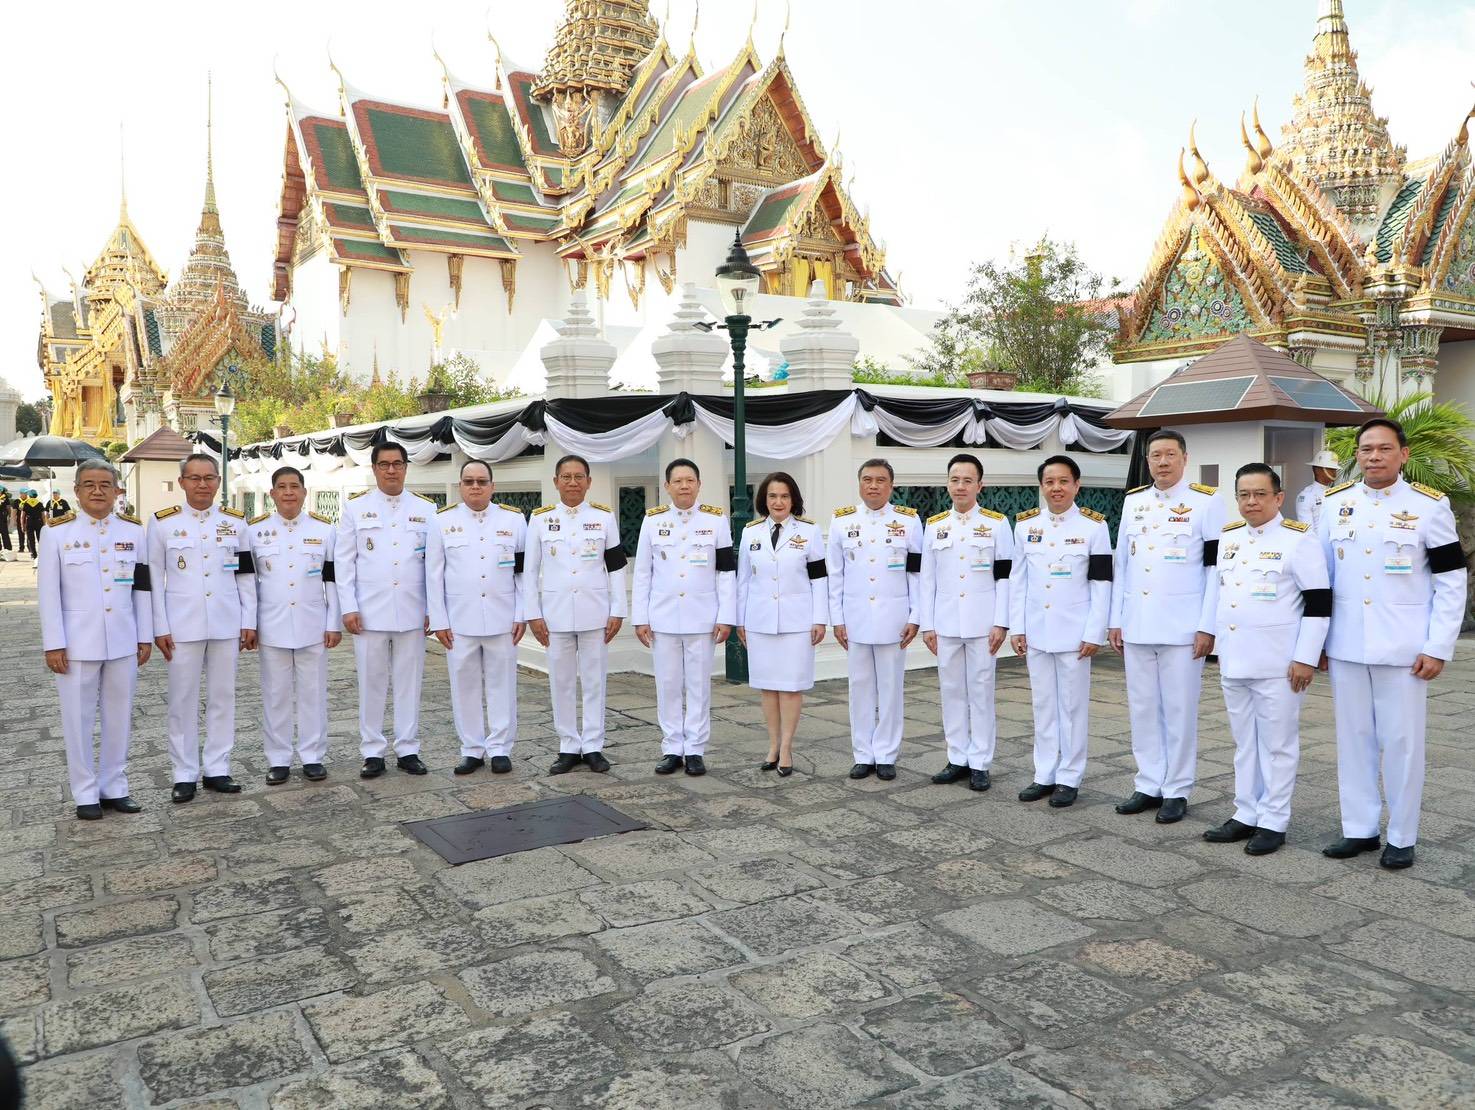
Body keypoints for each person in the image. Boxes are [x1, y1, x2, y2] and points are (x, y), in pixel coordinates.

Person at [1318, 418, 1466, 869]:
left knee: (1402, 743)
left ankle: (1402, 835)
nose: (1374, 457)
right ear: (1357, 456)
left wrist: (1437, 645)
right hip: (1346, 643)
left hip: (1404, 648)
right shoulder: (1334, 504)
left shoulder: (1429, 506)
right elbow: (1320, 578)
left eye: (1384, 449)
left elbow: (1451, 579)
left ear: (1403, 455)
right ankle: (1359, 828)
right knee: (1353, 739)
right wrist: (1316, 642)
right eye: (1366, 450)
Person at [1200, 463, 1330, 855]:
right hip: (1236, 659)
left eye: (1260, 494)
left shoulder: (1298, 539)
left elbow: (1319, 602)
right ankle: (1245, 813)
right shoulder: (1229, 538)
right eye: (1244, 494)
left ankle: (1274, 820)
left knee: (1277, 744)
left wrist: (1306, 657)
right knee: (1244, 742)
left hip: (1280, 664)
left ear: (1278, 497)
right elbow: (1222, 594)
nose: (1251, 501)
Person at [1108, 430, 1225, 824]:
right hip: (1138, 623)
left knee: (1178, 710)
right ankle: (1148, 783)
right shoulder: (1134, 502)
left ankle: (1177, 788)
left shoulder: (1206, 502)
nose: (1162, 462)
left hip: (1182, 628)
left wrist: (1208, 626)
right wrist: (1115, 620)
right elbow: (1121, 564)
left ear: (1184, 458)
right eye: (1155, 455)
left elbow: (1215, 569)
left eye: (1169, 455)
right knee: (1142, 708)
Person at [38, 460, 152, 820]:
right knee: (78, 718)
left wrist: (144, 634)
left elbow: (143, 588)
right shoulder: (56, 533)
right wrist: (54, 642)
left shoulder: (134, 532)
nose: (98, 491)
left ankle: (115, 786)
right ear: (77, 491)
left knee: (119, 715)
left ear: (118, 491)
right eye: (89, 485)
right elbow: (49, 594)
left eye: (105, 484)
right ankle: (85, 792)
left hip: (122, 638)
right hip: (76, 643)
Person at [1008, 455, 1113, 808]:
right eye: (1050, 482)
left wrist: (1093, 632)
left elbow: (1101, 584)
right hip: (1037, 631)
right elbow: (1018, 581)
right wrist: (1017, 628)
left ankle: (1069, 777)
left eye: (1063, 481)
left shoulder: (1093, 527)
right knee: (1043, 705)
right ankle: (1044, 774)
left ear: (1076, 485)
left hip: (1074, 634)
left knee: (1072, 707)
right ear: (1042, 486)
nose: (1056, 488)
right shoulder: (1025, 526)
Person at [146, 453, 250, 803]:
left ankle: (217, 767)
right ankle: (184, 773)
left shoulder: (236, 523)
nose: (202, 484)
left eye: (209, 478)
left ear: (219, 482)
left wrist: (248, 620)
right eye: (195, 478)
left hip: (225, 621)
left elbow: (245, 575)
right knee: (182, 700)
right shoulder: (162, 523)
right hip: (181, 625)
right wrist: (159, 626)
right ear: (182, 483)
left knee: (223, 698)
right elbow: (153, 579)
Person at [334, 442, 434, 779]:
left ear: (406, 467)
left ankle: (408, 748)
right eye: (384, 464)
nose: (391, 470)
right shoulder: (355, 508)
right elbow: (344, 563)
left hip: (412, 610)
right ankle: (372, 751)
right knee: (372, 682)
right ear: (374, 468)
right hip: (369, 612)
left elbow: (434, 565)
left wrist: (433, 608)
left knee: (409, 682)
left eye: (397, 463)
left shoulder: (427, 510)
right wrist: (348, 607)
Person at [523, 454, 627, 774]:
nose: (572, 482)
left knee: (595, 681)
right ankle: (568, 745)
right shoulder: (540, 519)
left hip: (595, 612)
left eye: (579, 477)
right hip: (555, 616)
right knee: (562, 682)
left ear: (589, 482)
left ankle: (593, 745)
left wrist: (618, 609)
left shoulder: (604, 518)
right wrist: (533, 614)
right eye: (565, 477)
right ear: (556, 482)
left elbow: (617, 568)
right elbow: (529, 572)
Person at [632, 458, 736, 776]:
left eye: (690, 480)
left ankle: (695, 749)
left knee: (699, 685)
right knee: (667, 684)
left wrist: (726, 616)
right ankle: (672, 747)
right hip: (662, 617)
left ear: (699, 484)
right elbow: (642, 572)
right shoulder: (652, 522)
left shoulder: (716, 521)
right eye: (678, 481)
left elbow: (726, 573)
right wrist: (640, 617)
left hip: (702, 617)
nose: (684, 486)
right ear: (667, 487)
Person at [238, 466, 341, 785]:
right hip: (271, 624)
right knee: (275, 694)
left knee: (313, 693)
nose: (288, 492)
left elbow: (333, 579)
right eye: (281, 487)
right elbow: (246, 581)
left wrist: (334, 621)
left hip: (313, 623)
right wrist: (248, 622)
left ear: (304, 492)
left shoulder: (325, 529)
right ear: (271, 494)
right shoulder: (254, 531)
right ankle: (279, 758)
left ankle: (312, 756)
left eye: (294, 486)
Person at [919, 453, 1014, 792]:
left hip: (982, 624)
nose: (960, 486)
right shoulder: (934, 525)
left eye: (967, 480)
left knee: (981, 692)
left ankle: (980, 762)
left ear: (980, 485)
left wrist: (1002, 622)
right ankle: (957, 757)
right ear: (948, 483)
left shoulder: (997, 524)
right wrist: (927, 625)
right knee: (951, 691)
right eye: (955, 480)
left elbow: (1006, 578)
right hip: (945, 624)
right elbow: (926, 580)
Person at [428, 460, 528, 776]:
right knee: (464, 685)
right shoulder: (442, 521)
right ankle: (471, 749)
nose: (475, 487)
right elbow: (433, 574)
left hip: (502, 616)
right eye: (469, 481)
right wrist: (439, 620)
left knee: (502, 685)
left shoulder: (513, 520)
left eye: (481, 481)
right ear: (460, 486)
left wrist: (522, 613)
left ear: (492, 486)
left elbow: (523, 572)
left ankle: (500, 748)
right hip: (460, 620)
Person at [826, 459, 922, 781]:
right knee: (860, 687)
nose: (873, 485)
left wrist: (916, 616)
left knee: (891, 688)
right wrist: (836, 619)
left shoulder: (908, 522)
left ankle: (886, 754)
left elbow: (917, 574)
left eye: (881, 480)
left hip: (895, 619)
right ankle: (863, 754)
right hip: (855, 620)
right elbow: (834, 576)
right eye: (867, 479)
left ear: (891, 485)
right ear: (859, 484)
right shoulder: (842, 522)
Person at [737, 472, 828, 777]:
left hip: (797, 622)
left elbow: (819, 579)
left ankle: (787, 747)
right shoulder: (751, 533)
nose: (778, 502)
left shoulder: (809, 532)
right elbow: (743, 582)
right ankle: (773, 745)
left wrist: (819, 619)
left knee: (790, 688)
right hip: (760, 621)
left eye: (785, 496)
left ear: (794, 500)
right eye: (773, 496)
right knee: (768, 689)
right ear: (764, 499)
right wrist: (741, 621)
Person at [1294, 450, 1340, 530]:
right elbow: (1307, 530)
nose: (1334, 472)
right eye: (1330, 469)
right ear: (1318, 470)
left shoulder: (1335, 493)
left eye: (1335, 469)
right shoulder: (1306, 496)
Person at [21, 490, 45, 560]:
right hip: (39, 522)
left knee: (31, 539)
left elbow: (22, 516)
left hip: (30, 522)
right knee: (40, 539)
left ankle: (33, 554)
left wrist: (22, 525)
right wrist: (44, 524)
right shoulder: (40, 503)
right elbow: (43, 515)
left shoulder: (26, 503)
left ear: (29, 495)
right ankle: (42, 553)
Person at [0, 485, 13, 560]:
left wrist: (10, 516)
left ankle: (8, 549)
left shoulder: (5, 497)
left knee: (5, 534)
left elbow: (8, 507)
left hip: (3, 518)